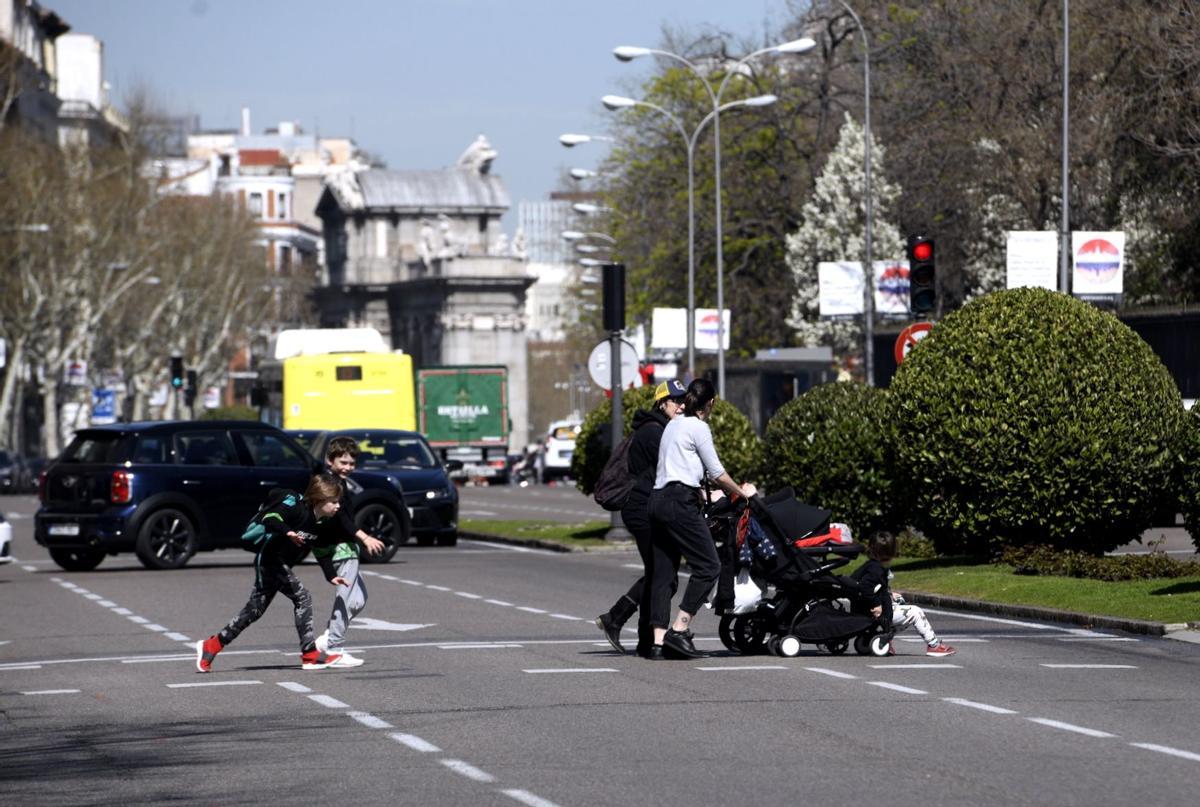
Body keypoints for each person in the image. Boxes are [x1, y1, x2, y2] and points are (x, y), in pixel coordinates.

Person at [647, 378, 757, 660]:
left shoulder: (673, 424)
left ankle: (658, 642)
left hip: (657, 500)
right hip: (680, 502)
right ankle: (679, 629)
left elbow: (683, 466)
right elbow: (717, 472)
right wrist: (741, 493)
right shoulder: (698, 427)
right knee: (709, 565)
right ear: (711, 403)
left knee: (663, 572)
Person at [195, 473, 349, 672]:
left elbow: (321, 550)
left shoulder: (323, 523)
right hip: (269, 559)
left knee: (253, 612)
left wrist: (331, 575)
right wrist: (287, 531)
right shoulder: (297, 509)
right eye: (334, 501)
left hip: (280, 564)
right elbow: (271, 518)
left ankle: (211, 646)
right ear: (320, 499)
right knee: (303, 598)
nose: (338, 506)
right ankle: (310, 654)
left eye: (339, 502)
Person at [595, 379, 687, 657]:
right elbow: (675, 467)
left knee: (662, 576)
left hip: (647, 509)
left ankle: (644, 637)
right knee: (663, 576)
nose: (682, 405)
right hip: (642, 510)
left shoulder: (661, 429)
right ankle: (617, 619)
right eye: (676, 401)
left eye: (684, 401)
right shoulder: (654, 432)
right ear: (662, 403)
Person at [312, 436, 388, 667]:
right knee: (346, 598)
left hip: (345, 548)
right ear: (329, 460)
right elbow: (342, 519)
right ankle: (334, 646)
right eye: (343, 462)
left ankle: (327, 640)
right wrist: (365, 537)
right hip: (339, 549)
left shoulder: (338, 483)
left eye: (351, 463)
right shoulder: (330, 484)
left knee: (358, 599)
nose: (347, 467)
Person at [851, 531, 956, 657]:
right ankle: (934, 645)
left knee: (899, 600)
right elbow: (865, 587)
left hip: (862, 608)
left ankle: (885, 638)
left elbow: (873, 587)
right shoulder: (876, 569)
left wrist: (889, 595)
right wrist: (877, 605)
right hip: (874, 611)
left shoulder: (871, 566)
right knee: (915, 612)